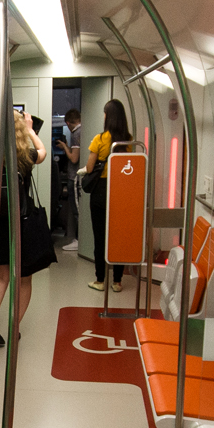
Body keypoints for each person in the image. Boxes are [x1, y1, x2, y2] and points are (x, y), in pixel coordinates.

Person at [0, 108, 49, 344]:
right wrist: (30, 130)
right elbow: (43, 152)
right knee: (24, 278)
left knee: (1, 276)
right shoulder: (24, 156)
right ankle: (14, 326)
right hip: (22, 221)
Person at [80, 98, 132, 292]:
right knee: (118, 236)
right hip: (120, 191)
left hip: (101, 192)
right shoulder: (128, 140)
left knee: (100, 237)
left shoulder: (100, 139)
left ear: (108, 116)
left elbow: (90, 167)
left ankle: (100, 280)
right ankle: (117, 281)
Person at [54, 107, 82, 251]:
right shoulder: (82, 131)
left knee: (77, 210)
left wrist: (65, 146)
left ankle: (79, 240)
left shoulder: (76, 134)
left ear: (68, 123)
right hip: (76, 176)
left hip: (74, 177)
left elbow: (74, 158)